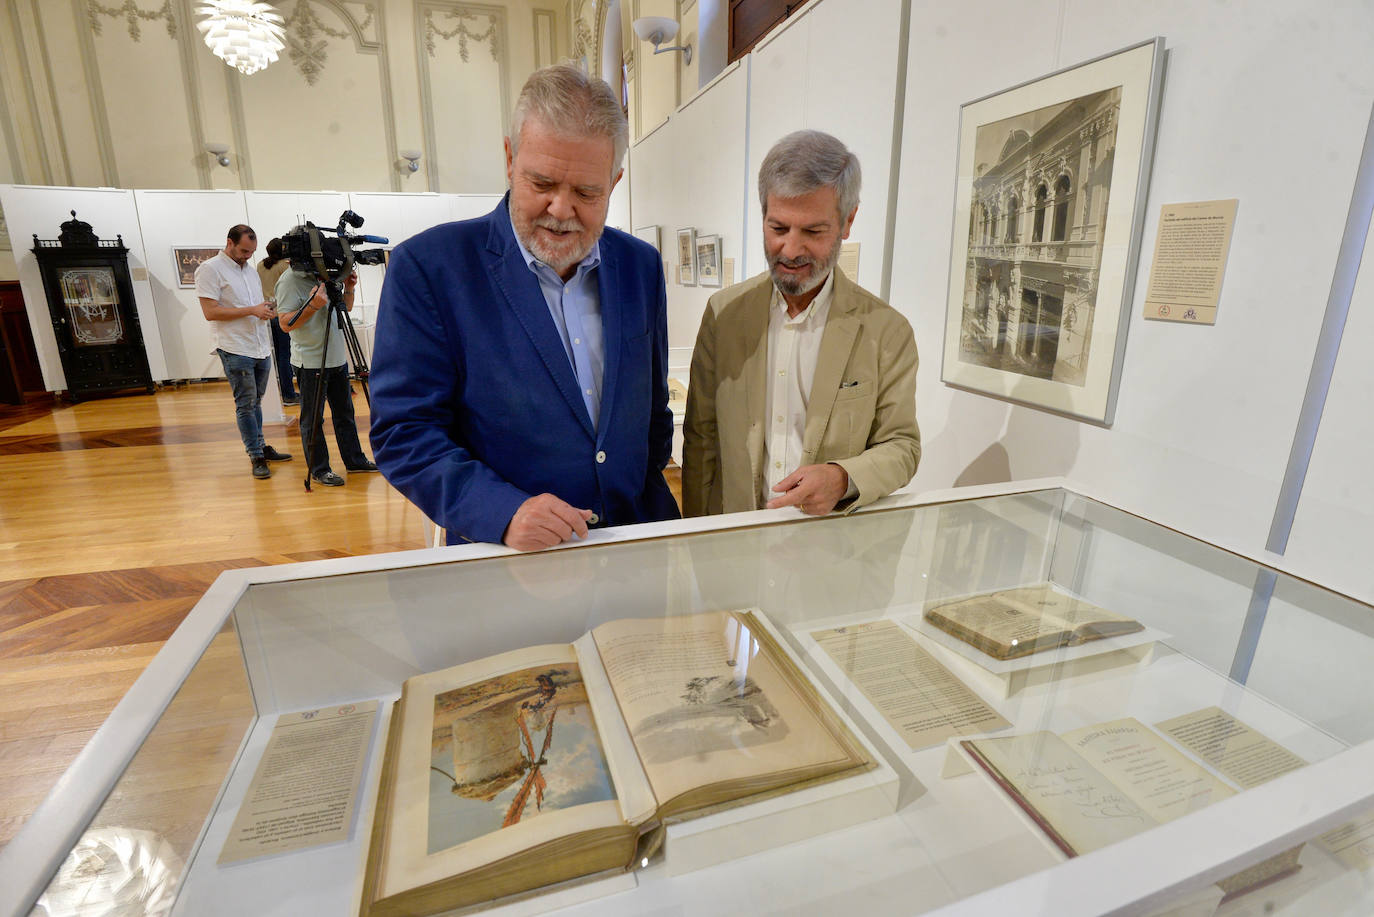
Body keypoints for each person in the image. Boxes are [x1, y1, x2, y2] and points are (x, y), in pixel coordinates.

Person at [370, 64, 678, 550]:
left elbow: (652, 414)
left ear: (615, 182)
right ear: (510, 157)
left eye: (586, 192)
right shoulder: (430, 268)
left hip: (636, 544)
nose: (560, 209)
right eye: (542, 183)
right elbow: (404, 433)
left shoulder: (640, 266)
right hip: (507, 557)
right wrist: (503, 512)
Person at [682, 130, 920, 517]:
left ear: (848, 221)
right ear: (762, 216)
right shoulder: (722, 316)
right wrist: (696, 541)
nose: (791, 250)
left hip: (831, 550)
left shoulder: (886, 332)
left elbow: (902, 446)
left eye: (813, 231)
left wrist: (843, 477)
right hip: (737, 539)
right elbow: (701, 441)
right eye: (778, 228)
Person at [196, 224, 293, 479]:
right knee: (246, 404)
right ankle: (255, 454)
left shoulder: (250, 271)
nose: (247, 255)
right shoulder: (209, 269)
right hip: (234, 346)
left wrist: (265, 309)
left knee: (255, 402)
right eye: (243, 250)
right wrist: (251, 310)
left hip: (258, 344)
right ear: (229, 242)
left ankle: (260, 445)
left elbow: (253, 305)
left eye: (251, 251)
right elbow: (210, 312)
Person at [276, 266, 378, 486]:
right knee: (313, 419)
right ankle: (320, 469)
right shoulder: (289, 281)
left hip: (337, 357)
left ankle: (355, 460)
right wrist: (313, 306)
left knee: (345, 414)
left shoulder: (327, 275)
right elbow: (285, 324)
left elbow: (346, 308)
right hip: (311, 361)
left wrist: (349, 287)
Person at [256, 238, 299, 406]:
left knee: (279, 356)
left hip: (268, 314)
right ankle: (289, 394)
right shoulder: (285, 266)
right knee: (286, 356)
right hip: (282, 314)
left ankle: (286, 392)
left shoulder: (260, 265)